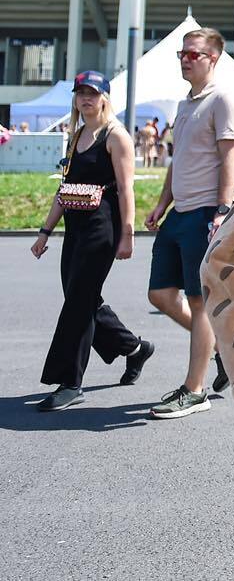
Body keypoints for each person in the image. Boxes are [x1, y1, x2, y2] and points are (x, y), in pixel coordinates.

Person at [29, 71, 154, 410]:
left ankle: (70, 382)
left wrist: (127, 235)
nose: (85, 98)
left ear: (104, 98)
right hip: (75, 226)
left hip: (103, 228)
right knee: (82, 297)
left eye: (92, 92)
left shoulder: (116, 137)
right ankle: (135, 349)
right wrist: (45, 231)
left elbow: (127, 190)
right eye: (80, 92)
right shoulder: (77, 135)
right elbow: (64, 189)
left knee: (79, 303)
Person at [143, 27, 234, 418]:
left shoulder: (223, 99)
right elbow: (179, 159)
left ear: (213, 58)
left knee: (200, 301)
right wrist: (161, 204)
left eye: (194, 54)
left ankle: (195, 389)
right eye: (182, 54)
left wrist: (222, 211)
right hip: (178, 212)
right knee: (161, 296)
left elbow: (231, 156)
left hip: (205, 211)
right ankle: (217, 350)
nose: (186, 59)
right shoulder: (186, 103)